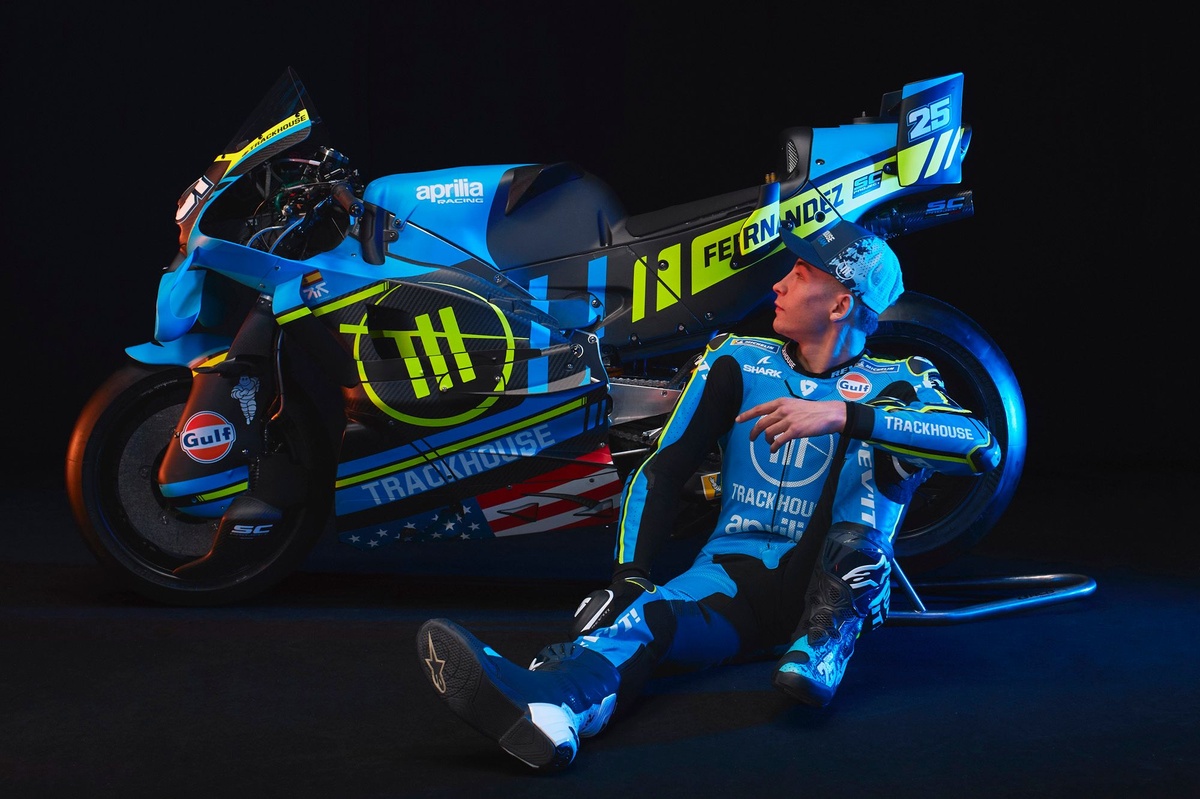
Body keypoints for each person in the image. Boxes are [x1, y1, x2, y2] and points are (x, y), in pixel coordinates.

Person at [415, 219, 1001, 770]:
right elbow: (662, 471)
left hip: (827, 587)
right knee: (640, 621)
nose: (779, 284)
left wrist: (844, 415)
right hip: (730, 583)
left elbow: (981, 447)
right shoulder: (737, 361)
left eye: (799, 275)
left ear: (841, 304)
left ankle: (823, 645)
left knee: (880, 480)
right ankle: (555, 709)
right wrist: (630, 577)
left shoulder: (900, 381)